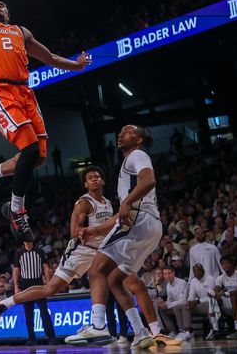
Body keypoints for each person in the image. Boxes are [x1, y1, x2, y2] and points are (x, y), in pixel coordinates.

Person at [0, 0, 91, 241]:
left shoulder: (21, 32)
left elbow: (49, 57)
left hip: (25, 92)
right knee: (28, 148)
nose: (0, 6)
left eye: (3, 5)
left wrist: (77, 64)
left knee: (37, 157)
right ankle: (17, 210)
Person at [64, 125, 178, 348]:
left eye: (127, 131)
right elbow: (125, 211)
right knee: (115, 279)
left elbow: (149, 181)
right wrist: (96, 230)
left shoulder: (136, 154)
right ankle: (142, 332)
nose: (120, 134)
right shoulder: (130, 163)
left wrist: (125, 202)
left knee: (96, 269)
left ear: (139, 139)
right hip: (151, 227)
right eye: (120, 131)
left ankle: (98, 325)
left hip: (140, 221)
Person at [0, 166, 112, 340]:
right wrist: (98, 231)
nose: (94, 179)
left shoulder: (108, 203)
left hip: (101, 251)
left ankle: (106, 326)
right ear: (85, 184)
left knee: (118, 279)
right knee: (50, 289)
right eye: (90, 178)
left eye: (97, 177)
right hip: (81, 252)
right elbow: (74, 231)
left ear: (103, 181)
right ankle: (4, 304)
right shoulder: (84, 202)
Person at [9, 241, 56, 345]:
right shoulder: (19, 253)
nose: (29, 243)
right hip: (25, 284)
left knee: (44, 311)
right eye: (27, 241)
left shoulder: (39, 251)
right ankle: (31, 338)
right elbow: (16, 270)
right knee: (28, 313)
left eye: (30, 241)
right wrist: (16, 286)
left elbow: (46, 268)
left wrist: (49, 284)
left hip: (38, 283)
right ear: (24, 242)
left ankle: (51, 337)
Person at [211, 256, 237, 339]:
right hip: (227, 304)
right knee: (212, 297)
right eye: (223, 264)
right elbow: (217, 290)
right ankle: (215, 329)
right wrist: (214, 293)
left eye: (227, 263)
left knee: (233, 296)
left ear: (232, 264)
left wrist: (225, 293)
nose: (225, 266)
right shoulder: (220, 277)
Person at [158, 267, 193, 341]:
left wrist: (168, 304)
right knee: (161, 309)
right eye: (165, 274)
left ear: (173, 273)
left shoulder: (182, 283)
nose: (168, 275)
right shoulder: (168, 285)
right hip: (176, 306)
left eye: (169, 273)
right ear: (164, 276)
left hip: (186, 306)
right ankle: (172, 331)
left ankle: (184, 331)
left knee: (177, 307)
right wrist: (165, 304)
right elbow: (170, 300)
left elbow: (183, 300)